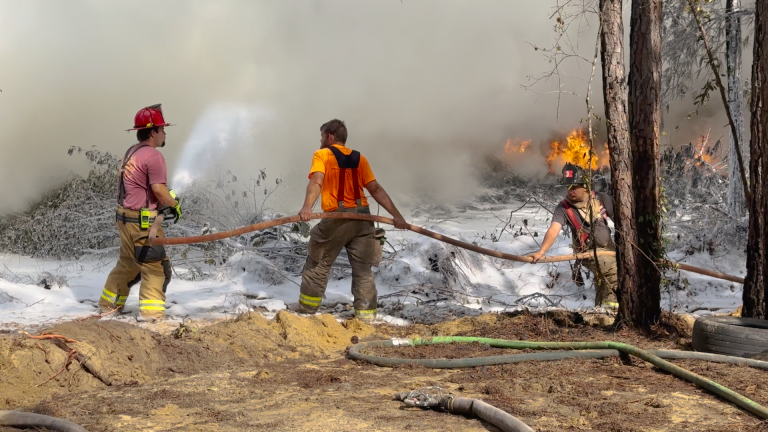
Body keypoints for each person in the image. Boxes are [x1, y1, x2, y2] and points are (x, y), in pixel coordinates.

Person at [290, 119, 408, 322]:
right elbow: (375, 189)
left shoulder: (322, 155)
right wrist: (397, 216)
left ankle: (306, 310)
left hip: (337, 218)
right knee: (363, 270)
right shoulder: (359, 158)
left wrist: (307, 207)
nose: (320, 141)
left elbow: (317, 181)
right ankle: (366, 317)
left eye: (321, 137)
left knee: (318, 263)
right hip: (363, 218)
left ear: (330, 136)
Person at [98, 104, 183, 320]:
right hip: (142, 224)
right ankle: (152, 315)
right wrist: (173, 204)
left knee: (128, 264)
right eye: (163, 129)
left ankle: (108, 306)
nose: (165, 133)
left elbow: (141, 188)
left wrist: (164, 198)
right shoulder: (154, 156)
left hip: (124, 219)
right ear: (153, 132)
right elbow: (157, 190)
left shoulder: (132, 152)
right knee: (156, 267)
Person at [527, 163, 618, 309]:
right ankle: (611, 312)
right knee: (612, 271)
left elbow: (622, 222)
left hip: (610, 249)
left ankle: (601, 312)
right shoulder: (563, 208)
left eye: (574, 187)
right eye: (568, 187)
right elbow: (553, 230)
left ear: (586, 186)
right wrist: (541, 251)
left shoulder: (601, 199)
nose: (570, 191)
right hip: (587, 253)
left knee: (603, 282)